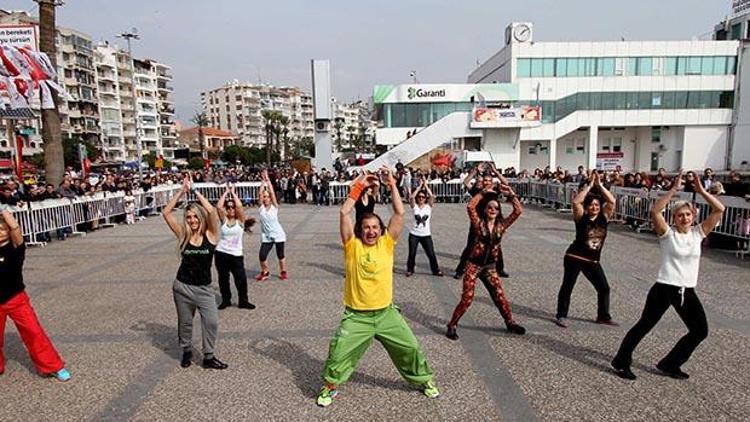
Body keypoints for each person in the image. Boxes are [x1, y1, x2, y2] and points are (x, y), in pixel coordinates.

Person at [316, 169, 439, 407]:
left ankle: (424, 380)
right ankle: (330, 387)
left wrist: (392, 184)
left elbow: (400, 212)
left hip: (386, 314)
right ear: (360, 231)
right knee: (339, 353)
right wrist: (358, 187)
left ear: (381, 229)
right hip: (357, 316)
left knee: (410, 347)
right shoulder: (352, 246)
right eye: (366, 228)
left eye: (375, 227)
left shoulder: (386, 244)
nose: (371, 231)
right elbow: (344, 212)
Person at [611, 171, 725, 380]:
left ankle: (670, 363)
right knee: (644, 325)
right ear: (674, 218)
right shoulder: (667, 234)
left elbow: (720, 209)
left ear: (693, 217)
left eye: (688, 215)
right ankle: (620, 361)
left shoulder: (698, 233)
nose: (684, 218)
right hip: (664, 288)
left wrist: (701, 192)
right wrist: (673, 190)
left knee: (700, 330)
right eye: (680, 215)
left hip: (686, 290)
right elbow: (656, 211)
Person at [162, 176, 228, 370]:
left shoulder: (211, 235)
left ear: (200, 217)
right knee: (185, 323)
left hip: (204, 289)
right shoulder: (183, 234)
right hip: (182, 287)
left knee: (212, 322)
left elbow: (212, 211)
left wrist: (195, 190)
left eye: (194, 216)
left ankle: (208, 356)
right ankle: (187, 350)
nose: (191, 220)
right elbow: (166, 213)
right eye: (188, 217)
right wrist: (181, 192)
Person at [446, 180, 525, 340]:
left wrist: (511, 195)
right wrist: (483, 192)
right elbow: (470, 207)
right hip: (473, 266)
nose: (493, 210)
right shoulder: (479, 224)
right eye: (490, 207)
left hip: (489, 267)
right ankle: (452, 325)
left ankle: (510, 322)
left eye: (496, 208)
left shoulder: (501, 225)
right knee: (467, 298)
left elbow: (518, 211)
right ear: (485, 209)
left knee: (500, 296)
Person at [0, 206, 71, 381]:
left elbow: (16, 229)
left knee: (33, 332)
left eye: (2, 229)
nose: (0, 232)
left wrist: (3, 212)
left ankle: (53, 366)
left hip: (16, 298)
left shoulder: (16, 248)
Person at [554, 172, 617, 328]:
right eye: (591, 205)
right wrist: (589, 186)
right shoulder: (581, 217)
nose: (594, 207)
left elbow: (612, 201)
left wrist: (599, 184)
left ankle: (603, 316)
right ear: (587, 207)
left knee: (604, 287)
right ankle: (561, 315)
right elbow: (576, 202)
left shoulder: (604, 217)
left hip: (593, 260)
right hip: (574, 257)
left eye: (597, 205)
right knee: (568, 286)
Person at [454, 163, 510, 279]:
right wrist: (474, 171)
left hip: (492, 222)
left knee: (496, 246)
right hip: (477, 222)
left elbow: (506, 183)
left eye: (489, 180)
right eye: (485, 180)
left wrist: (496, 171)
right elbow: (465, 182)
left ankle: (500, 269)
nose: (487, 182)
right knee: (470, 246)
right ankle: (460, 270)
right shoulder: (478, 190)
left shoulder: (495, 190)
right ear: (482, 181)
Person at [215, 185, 256, 310]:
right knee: (223, 279)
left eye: (233, 207)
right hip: (221, 253)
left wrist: (233, 193)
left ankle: (243, 301)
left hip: (236, 254)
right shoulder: (224, 220)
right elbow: (218, 207)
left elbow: (239, 206)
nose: (231, 209)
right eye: (229, 207)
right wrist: (225, 192)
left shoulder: (241, 221)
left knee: (241, 278)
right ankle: (225, 300)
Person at [405, 179, 443, 277]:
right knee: (412, 253)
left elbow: (432, 196)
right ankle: (410, 269)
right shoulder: (415, 207)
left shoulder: (428, 207)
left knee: (431, 253)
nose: (421, 198)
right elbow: (412, 197)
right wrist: (419, 187)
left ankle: (436, 270)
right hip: (414, 234)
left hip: (426, 235)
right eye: (420, 197)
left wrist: (425, 185)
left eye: (423, 197)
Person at [256, 169, 288, 281]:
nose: (265, 199)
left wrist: (268, 181)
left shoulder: (274, 207)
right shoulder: (261, 209)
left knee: (280, 255)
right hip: (267, 236)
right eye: (264, 197)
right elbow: (259, 193)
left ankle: (283, 271)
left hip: (278, 234)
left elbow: (273, 192)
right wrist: (262, 181)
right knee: (262, 255)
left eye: (267, 197)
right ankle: (265, 272)